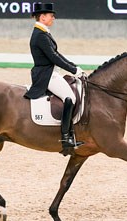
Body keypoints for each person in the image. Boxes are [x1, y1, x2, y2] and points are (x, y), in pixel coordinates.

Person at [24, 2, 84, 155]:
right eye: (51, 15)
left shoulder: (43, 33)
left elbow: (57, 55)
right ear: (43, 17)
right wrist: (73, 70)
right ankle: (65, 138)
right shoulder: (40, 35)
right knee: (70, 98)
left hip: (50, 72)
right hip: (46, 75)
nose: (53, 18)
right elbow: (53, 57)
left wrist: (74, 67)